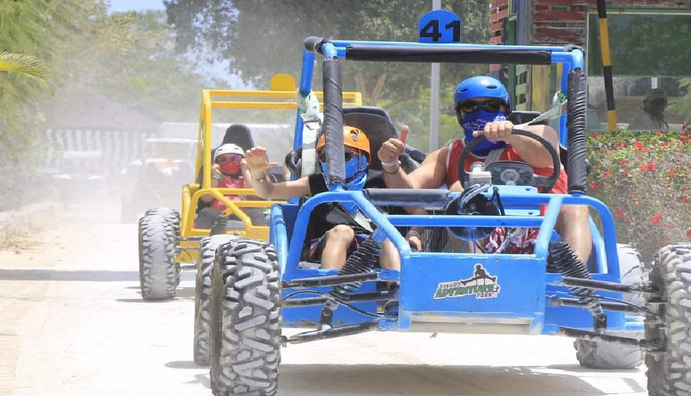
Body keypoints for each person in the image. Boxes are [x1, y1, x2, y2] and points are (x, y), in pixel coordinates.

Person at [377, 75, 592, 264]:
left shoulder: (539, 134)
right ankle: (476, 278)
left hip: (547, 233)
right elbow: (408, 191)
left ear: (505, 109)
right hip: (485, 238)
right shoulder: (447, 155)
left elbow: (545, 156)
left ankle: (575, 279)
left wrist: (511, 135)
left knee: (576, 207)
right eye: (470, 107)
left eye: (491, 106)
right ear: (460, 114)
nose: (480, 112)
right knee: (459, 192)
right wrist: (390, 163)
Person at [246, 125, 419, 270]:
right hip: (325, 245)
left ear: (364, 159)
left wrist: (414, 233)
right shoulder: (317, 182)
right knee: (343, 231)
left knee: (385, 233)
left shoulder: (380, 181)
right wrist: (258, 173)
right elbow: (268, 192)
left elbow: (418, 208)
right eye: (325, 157)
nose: (334, 164)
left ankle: (397, 290)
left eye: (345, 156)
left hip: (373, 249)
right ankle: (329, 292)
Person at [196, 143, 260, 228]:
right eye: (223, 160)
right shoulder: (213, 178)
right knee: (205, 212)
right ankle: (199, 236)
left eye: (234, 159)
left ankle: (262, 236)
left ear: (241, 160)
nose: (229, 163)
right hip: (219, 212)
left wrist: (245, 169)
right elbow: (206, 198)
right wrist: (216, 176)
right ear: (217, 163)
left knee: (256, 213)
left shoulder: (247, 178)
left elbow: (254, 194)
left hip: (243, 213)